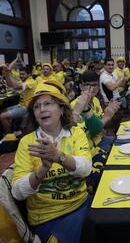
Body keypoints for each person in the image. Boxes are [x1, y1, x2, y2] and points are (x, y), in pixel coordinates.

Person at [11, 81, 92, 243]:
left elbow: (86, 169)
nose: (42, 109)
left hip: (82, 205)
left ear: (61, 109)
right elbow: (18, 193)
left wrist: (58, 156)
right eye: (36, 106)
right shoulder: (27, 142)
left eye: (48, 103)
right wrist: (43, 169)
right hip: (47, 217)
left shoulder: (75, 133)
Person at [70, 70, 120, 192]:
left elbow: (99, 129)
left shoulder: (96, 101)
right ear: (81, 86)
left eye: (94, 85)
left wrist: (109, 113)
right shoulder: (76, 106)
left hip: (100, 141)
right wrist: (108, 115)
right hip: (87, 151)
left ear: (98, 87)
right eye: (87, 85)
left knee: (121, 143)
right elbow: (93, 131)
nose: (91, 88)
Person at [0, 66, 37, 144]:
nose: (21, 76)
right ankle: (14, 131)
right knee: (3, 111)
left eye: (23, 74)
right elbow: (10, 85)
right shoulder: (24, 80)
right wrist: (7, 73)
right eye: (20, 74)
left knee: (3, 116)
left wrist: (8, 73)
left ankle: (9, 136)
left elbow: (15, 86)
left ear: (29, 74)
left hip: (27, 108)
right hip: (20, 105)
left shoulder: (31, 82)